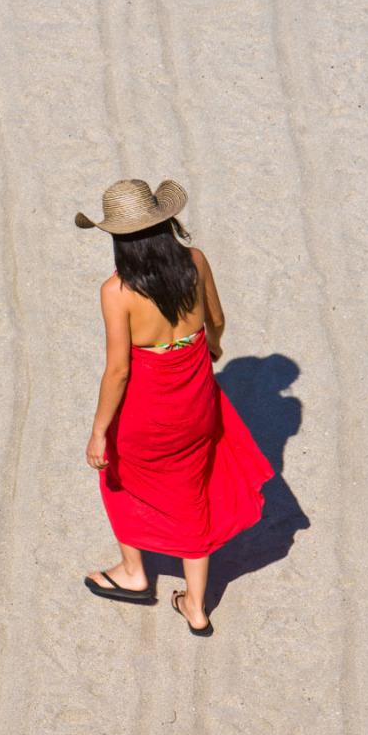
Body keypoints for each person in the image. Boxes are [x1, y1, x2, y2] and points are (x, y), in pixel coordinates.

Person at [75, 179, 274, 636]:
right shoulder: (195, 261)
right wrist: (214, 349)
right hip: (196, 399)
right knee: (192, 490)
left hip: (147, 411)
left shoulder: (118, 291)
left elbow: (118, 371)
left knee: (118, 480)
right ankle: (197, 606)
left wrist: (99, 431)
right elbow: (217, 320)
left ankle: (133, 573)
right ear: (166, 222)